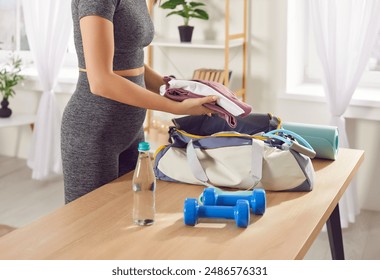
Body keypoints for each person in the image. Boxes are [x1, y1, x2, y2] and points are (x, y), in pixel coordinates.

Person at [61, 0, 216, 204]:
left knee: (128, 216)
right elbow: (100, 81)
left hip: (130, 131)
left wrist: (176, 90)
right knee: (89, 225)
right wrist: (175, 107)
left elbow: (130, 59)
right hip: (94, 131)